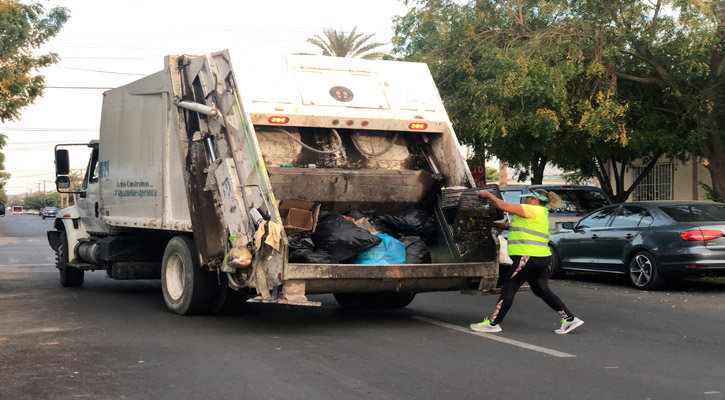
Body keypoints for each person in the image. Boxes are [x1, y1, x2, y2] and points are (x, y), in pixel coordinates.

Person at [470, 188, 584, 334]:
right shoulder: (538, 214)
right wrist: (490, 224)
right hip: (541, 258)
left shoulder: (532, 210)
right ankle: (569, 319)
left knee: (509, 288)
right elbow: (508, 226)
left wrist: (487, 195)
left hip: (527, 257)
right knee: (541, 290)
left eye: (528, 198)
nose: (525, 200)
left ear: (536, 200)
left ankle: (493, 324)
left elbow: (503, 206)